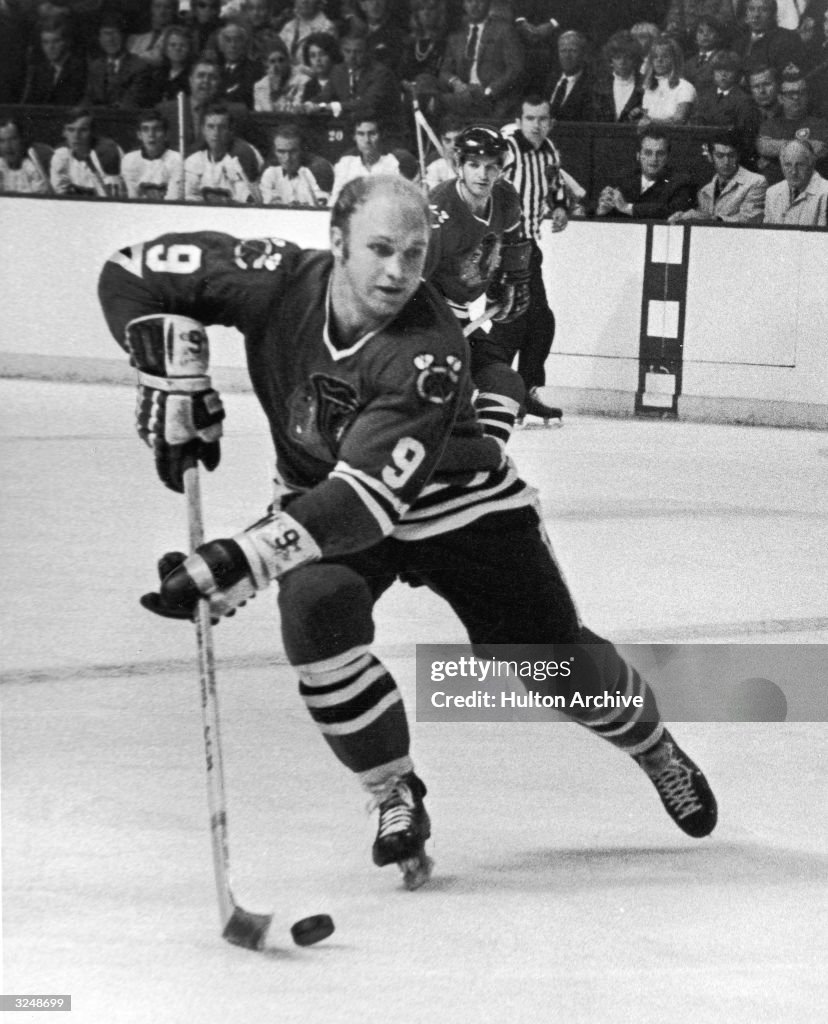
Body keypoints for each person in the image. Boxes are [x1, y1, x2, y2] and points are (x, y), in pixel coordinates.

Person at [96, 174, 719, 889]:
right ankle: (393, 792)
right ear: (336, 242)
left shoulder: (431, 346)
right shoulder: (269, 279)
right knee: (316, 617)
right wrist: (162, 362)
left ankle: (654, 747)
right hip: (327, 494)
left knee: (550, 656)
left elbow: (366, 502)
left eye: (415, 254)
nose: (398, 272)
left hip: (459, 505)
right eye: (381, 249)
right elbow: (128, 270)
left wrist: (247, 555)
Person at [427, 125, 533, 448]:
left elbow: (515, 245)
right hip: (431, 318)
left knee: (506, 383)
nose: (483, 174)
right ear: (459, 166)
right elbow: (413, 285)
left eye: (491, 166)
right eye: (474, 164)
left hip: (461, 317)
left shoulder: (505, 197)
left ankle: (486, 462)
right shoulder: (439, 212)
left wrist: (509, 282)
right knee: (444, 396)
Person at [488, 95, 578, 425]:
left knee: (540, 322)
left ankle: (523, 391)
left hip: (528, 248)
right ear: (520, 119)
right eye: (530, 118)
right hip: (502, 248)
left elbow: (554, 186)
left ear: (550, 122)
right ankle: (496, 393)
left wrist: (558, 208)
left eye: (542, 119)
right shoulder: (507, 147)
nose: (536, 125)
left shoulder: (549, 151)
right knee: (511, 323)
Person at [438, 0, 525, 120]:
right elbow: (444, 71)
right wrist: (455, 82)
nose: (474, 5)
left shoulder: (504, 30)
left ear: (488, 3)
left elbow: (515, 69)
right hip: (464, 93)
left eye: (479, 1)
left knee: (436, 102)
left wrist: (489, 91)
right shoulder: (456, 35)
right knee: (427, 86)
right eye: (469, 1)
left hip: (491, 97)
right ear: (463, 4)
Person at [593, 124, 696, 219]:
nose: (653, 159)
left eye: (660, 153)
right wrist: (602, 211)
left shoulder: (681, 182)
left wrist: (628, 208)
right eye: (648, 153)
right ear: (638, 156)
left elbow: (672, 211)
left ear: (668, 157)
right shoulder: (623, 179)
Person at [668, 132, 768, 221]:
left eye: (731, 155)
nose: (726, 162)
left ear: (738, 156)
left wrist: (710, 219)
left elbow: (750, 220)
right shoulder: (704, 191)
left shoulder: (756, 182)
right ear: (710, 157)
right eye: (720, 156)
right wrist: (682, 217)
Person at [755, 70, 828, 182]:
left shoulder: (820, 124)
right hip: (777, 187)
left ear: (807, 96)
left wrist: (778, 149)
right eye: (790, 94)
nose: (796, 97)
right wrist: (807, 145)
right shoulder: (769, 125)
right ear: (780, 98)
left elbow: (821, 149)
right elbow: (763, 147)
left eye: (801, 92)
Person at [183, 103, 263, 203]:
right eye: (211, 127)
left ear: (230, 130)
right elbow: (188, 197)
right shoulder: (194, 160)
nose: (216, 133)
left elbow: (251, 200)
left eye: (222, 127)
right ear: (203, 130)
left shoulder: (243, 155)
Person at [329, 113, 418, 204]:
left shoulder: (393, 164)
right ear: (354, 137)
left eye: (372, 134)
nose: (367, 140)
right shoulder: (345, 164)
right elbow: (334, 202)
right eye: (361, 134)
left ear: (381, 135)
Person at [50, 106, 125, 198]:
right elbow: (60, 194)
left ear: (93, 132)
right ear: (64, 132)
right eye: (71, 130)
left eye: (83, 130)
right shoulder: (61, 154)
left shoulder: (108, 152)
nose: (76, 136)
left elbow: (113, 201)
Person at [83, 13, 152, 108]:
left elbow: (130, 103)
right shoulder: (95, 66)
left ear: (124, 37)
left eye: (115, 33)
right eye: (105, 34)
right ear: (99, 39)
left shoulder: (139, 66)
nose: (110, 39)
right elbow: (88, 100)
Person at [21, 17, 87, 106]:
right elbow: (28, 103)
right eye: (45, 42)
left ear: (67, 42)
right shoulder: (38, 70)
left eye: (56, 41)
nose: (50, 47)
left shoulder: (81, 69)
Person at [260, 122, 329, 204]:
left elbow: (322, 208)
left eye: (293, 152)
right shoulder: (270, 172)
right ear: (274, 152)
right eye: (281, 152)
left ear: (302, 150)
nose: (287, 158)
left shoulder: (319, 170)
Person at [121, 109, 184, 200]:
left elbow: (173, 201)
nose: (151, 134)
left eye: (157, 129)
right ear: (139, 135)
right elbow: (133, 198)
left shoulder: (176, 159)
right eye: (145, 130)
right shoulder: (129, 160)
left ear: (166, 135)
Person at [763, 136, 828, 220]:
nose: (794, 172)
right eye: (788, 165)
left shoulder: (825, 193)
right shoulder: (772, 193)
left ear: (811, 164)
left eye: (800, 165)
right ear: (781, 165)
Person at [640, 34, 697, 124]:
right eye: (655, 57)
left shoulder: (685, 87)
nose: (659, 60)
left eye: (665, 56)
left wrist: (653, 123)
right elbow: (644, 120)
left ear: (675, 59)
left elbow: (679, 120)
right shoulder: (649, 88)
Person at [592, 30, 645, 123]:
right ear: (610, 60)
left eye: (627, 57)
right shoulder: (599, 85)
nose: (622, 62)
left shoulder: (644, 84)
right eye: (617, 57)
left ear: (635, 60)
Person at [546, 30, 595, 122]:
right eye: (563, 51)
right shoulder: (550, 80)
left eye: (573, 51)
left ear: (583, 54)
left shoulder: (592, 84)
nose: (567, 56)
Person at [216, 22, 264, 108]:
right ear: (221, 46)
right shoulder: (215, 69)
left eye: (237, 40)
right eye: (228, 40)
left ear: (245, 44)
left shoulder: (255, 70)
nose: (233, 45)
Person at [252, 37, 308, 110]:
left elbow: (295, 110)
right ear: (266, 64)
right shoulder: (260, 86)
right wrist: (274, 91)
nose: (277, 66)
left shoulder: (303, 81)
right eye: (272, 61)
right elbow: (260, 113)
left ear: (288, 60)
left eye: (281, 60)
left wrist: (280, 93)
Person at [0, 118, 51, 195]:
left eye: (13, 139)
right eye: (2, 141)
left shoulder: (33, 167)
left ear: (22, 140)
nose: (8, 146)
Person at [424, 114, 464, 187]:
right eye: (447, 141)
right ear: (441, 141)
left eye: (457, 140)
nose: (453, 146)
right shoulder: (435, 165)